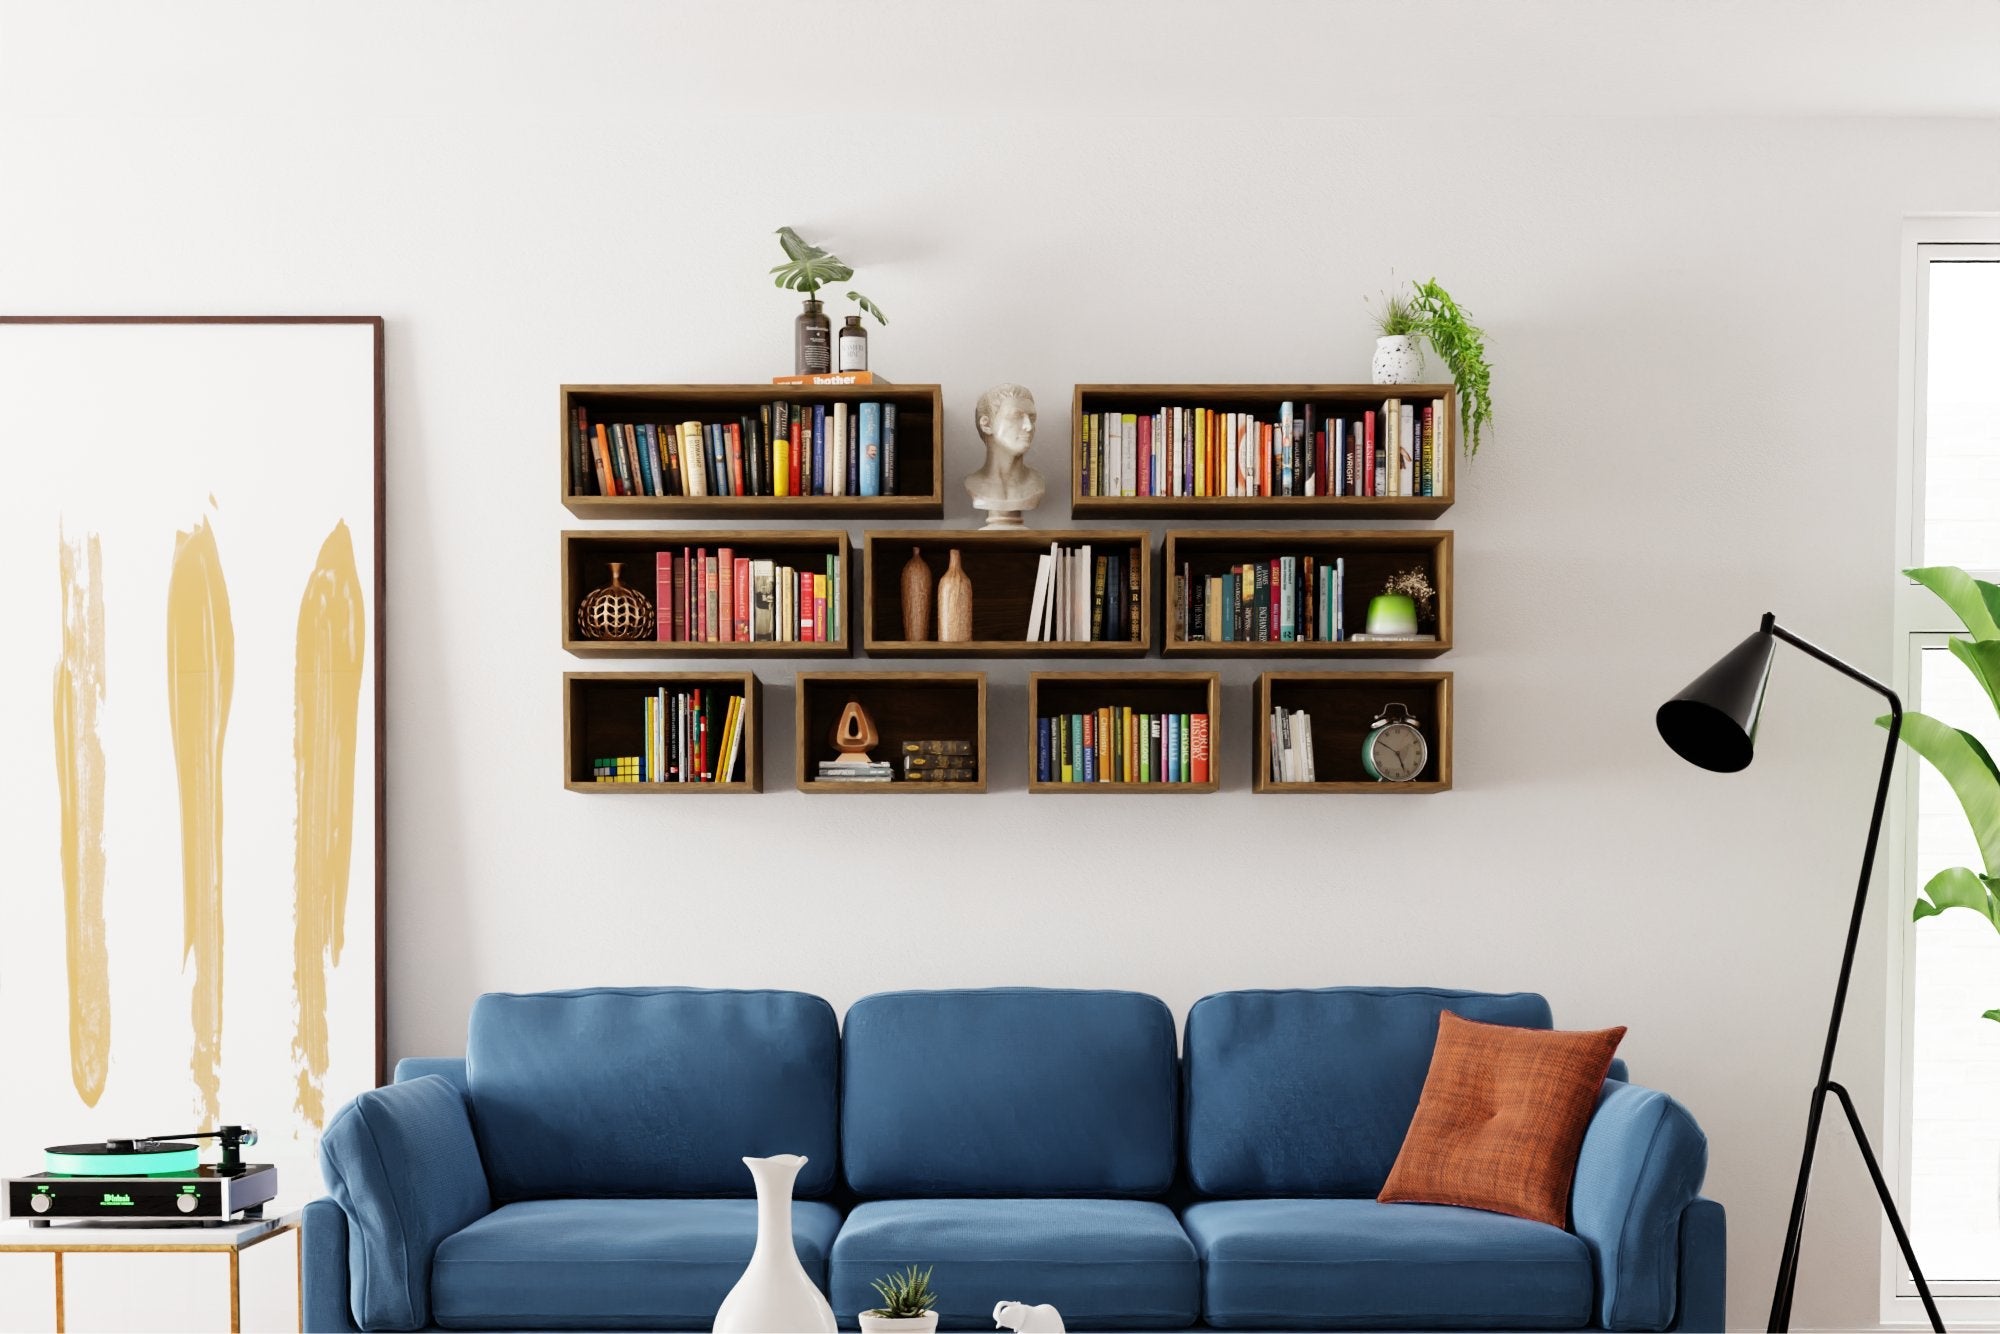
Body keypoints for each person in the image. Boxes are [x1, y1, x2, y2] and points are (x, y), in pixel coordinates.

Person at [964, 382, 1045, 528]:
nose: (1028, 426)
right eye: (1016, 416)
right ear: (987, 425)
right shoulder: (972, 483)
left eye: (1032, 418)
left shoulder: (1038, 483)